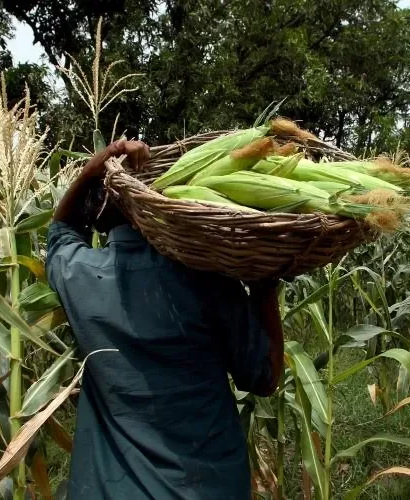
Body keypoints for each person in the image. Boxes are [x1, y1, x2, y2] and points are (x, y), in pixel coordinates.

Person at [45, 139, 285, 499]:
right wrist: (264, 286)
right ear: (159, 205)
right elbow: (264, 377)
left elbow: (61, 231)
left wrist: (93, 168)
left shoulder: (78, 275)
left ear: (98, 216)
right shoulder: (208, 278)